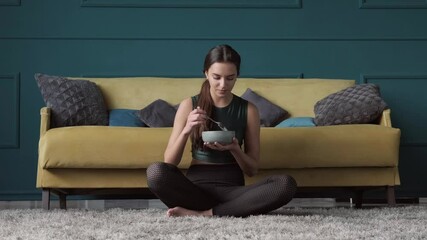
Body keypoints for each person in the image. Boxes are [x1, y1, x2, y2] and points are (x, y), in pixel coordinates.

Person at [146, 44, 297, 217]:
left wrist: (234, 149)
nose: (223, 85)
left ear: (237, 76)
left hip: (233, 191)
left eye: (230, 78)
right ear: (206, 74)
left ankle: (205, 214)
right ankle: (228, 210)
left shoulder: (249, 110)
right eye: (216, 77)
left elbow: (252, 170)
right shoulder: (189, 105)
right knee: (155, 172)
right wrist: (187, 129)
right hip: (195, 191)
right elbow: (170, 163)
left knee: (285, 184)